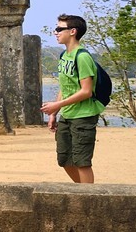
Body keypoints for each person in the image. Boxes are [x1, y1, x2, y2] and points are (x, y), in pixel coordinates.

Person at [41, 13, 100, 183]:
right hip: (67, 115)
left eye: (60, 29)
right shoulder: (64, 56)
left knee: (82, 162)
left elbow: (86, 91)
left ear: (73, 31)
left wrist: (57, 104)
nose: (56, 32)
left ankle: (88, 199)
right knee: (65, 160)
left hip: (83, 116)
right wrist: (54, 113)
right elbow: (65, 87)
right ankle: (82, 191)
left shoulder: (82, 57)